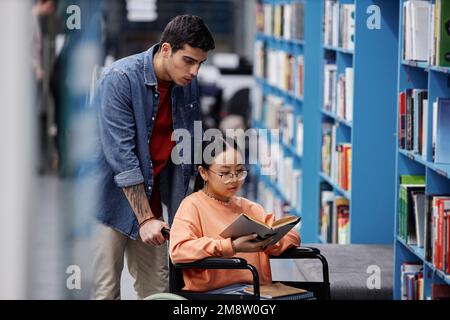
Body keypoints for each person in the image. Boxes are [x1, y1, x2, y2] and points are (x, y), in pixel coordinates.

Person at [94, 15, 215, 300]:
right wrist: (145, 218)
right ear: (165, 50)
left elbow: (188, 148)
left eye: (200, 63)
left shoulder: (187, 85)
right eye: (188, 60)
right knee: (105, 292)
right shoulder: (120, 79)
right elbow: (122, 158)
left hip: (154, 203)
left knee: (158, 291)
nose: (195, 71)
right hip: (106, 203)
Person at [169, 138, 300, 292]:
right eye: (224, 173)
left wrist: (267, 241)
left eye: (239, 171)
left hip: (257, 291)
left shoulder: (250, 207)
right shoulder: (192, 206)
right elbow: (178, 250)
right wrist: (230, 246)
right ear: (203, 173)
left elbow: (293, 237)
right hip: (213, 294)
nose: (234, 179)